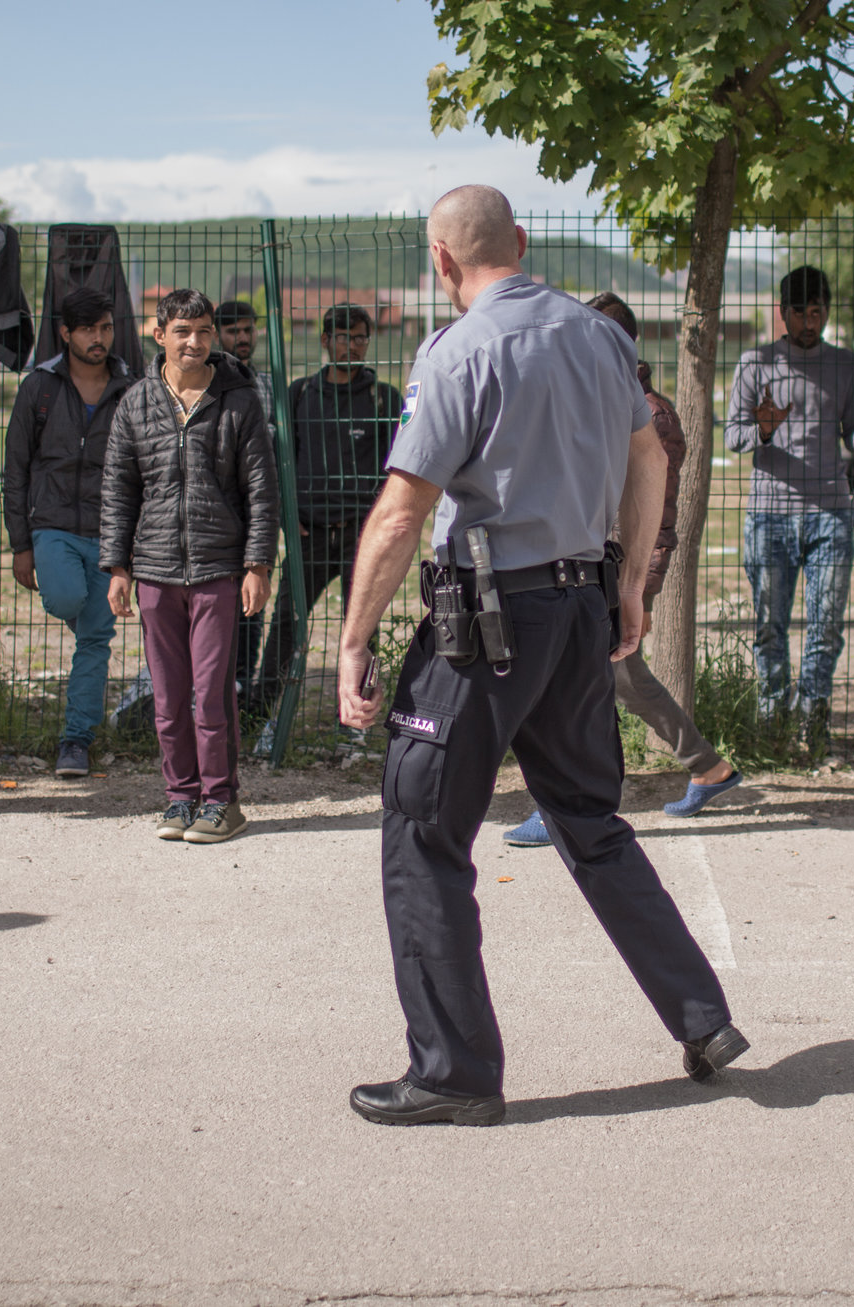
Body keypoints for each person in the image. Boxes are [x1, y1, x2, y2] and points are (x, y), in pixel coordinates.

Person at [333, 183, 746, 1125]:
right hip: (581, 606)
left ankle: (453, 1071)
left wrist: (355, 638)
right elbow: (651, 458)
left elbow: (403, 510)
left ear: (443, 260)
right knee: (590, 820)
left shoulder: (457, 351)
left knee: (423, 827)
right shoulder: (599, 337)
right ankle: (702, 1015)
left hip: (486, 621)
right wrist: (633, 582)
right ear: (518, 241)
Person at [507, 291, 739, 847]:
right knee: (621, 680)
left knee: (583, 679)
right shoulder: (606, 398)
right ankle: (708, 770)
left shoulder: (647, 411)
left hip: (622, 568)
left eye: (595, 331)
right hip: (597, 565)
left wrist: (637, 579)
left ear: (623, 343)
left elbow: (647, 503)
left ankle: (567, 805)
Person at [99, 288, 278, 845]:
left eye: (203, 331)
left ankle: (222, 801)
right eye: (182, 332)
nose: (195, 342)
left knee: (212, 690)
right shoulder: (136, 402)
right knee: (170, 694)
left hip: (218, 568)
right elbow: (118, 490)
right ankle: (180, 798)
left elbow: (261, 489)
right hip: (153, 570)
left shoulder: (239, 399)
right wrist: (118, 566)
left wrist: (257, 564)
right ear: (160, 336)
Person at [724, 264, 854, 754]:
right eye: (799, 312)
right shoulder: (755, 362)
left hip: (830, 513)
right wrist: (762, 428)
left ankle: (813, 723)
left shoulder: (845, 364)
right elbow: (732, 436)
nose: (808, 321)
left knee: (826, 625)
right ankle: (773, 724)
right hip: (769, 514)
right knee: (769, 626)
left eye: (817, 311)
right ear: (783, 313)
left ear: (826, 312)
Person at [4, 288, 137, 779]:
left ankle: (76, 742)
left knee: (96, 640)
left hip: (111, 531)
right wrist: (21, 544)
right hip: (53, 525)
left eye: (105, 328)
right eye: (87, 330)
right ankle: (88, 635)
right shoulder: (38, 388)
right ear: (65, 333)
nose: (98, 338)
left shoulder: (130, 388)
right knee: (66, 601)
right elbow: (15, 469)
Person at [260, 302, 401, 754]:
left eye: (360, 337)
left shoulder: (385, 399)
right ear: (326, 341)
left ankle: (355, 726)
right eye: (344, 336)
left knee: (363, 630)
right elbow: (279, 463)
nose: (353, 345)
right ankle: (261, 717)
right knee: (286, 623)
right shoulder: (299, 395)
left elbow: (397, 468)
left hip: (363, 537)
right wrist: (288, 518)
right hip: (310, 534)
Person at [212, 298, 273, 701]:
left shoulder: (266, 383)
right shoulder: (210, 382)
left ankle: (244, 690)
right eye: (234, 331)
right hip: (217, 511)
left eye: (248, 330)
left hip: (256, 510)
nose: (243, 338)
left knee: (253, 603)